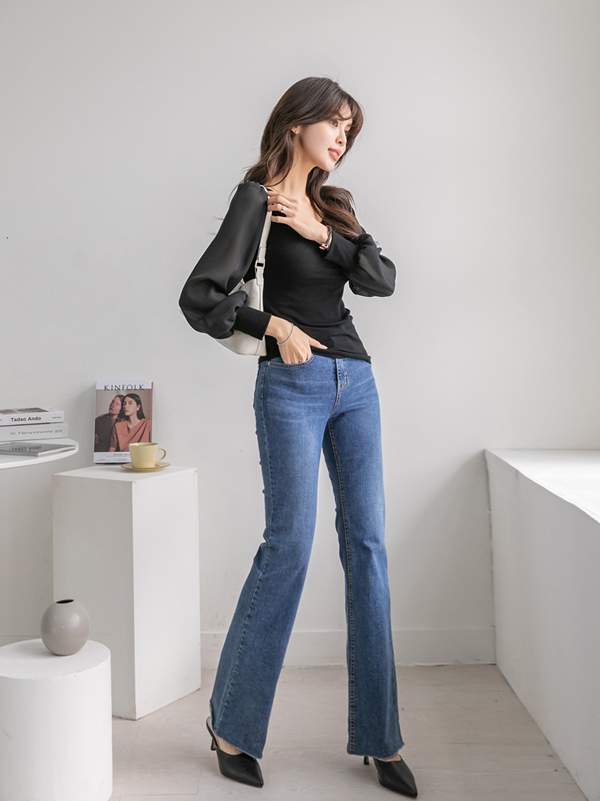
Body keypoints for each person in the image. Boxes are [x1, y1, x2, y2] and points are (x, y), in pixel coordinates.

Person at [179, 76, 418, 797]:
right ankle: (233, 725)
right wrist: (273, 324)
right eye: (334, 122)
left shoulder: (336, 206)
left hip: (357, 384)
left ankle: (380, 738)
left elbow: (382, 279)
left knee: (368, 547)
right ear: (297, 123)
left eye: (350, 128)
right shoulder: (255, 200)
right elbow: (200, 296)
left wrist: (319, 233)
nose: (342, 136)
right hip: (291, 384)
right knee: (288, 545)